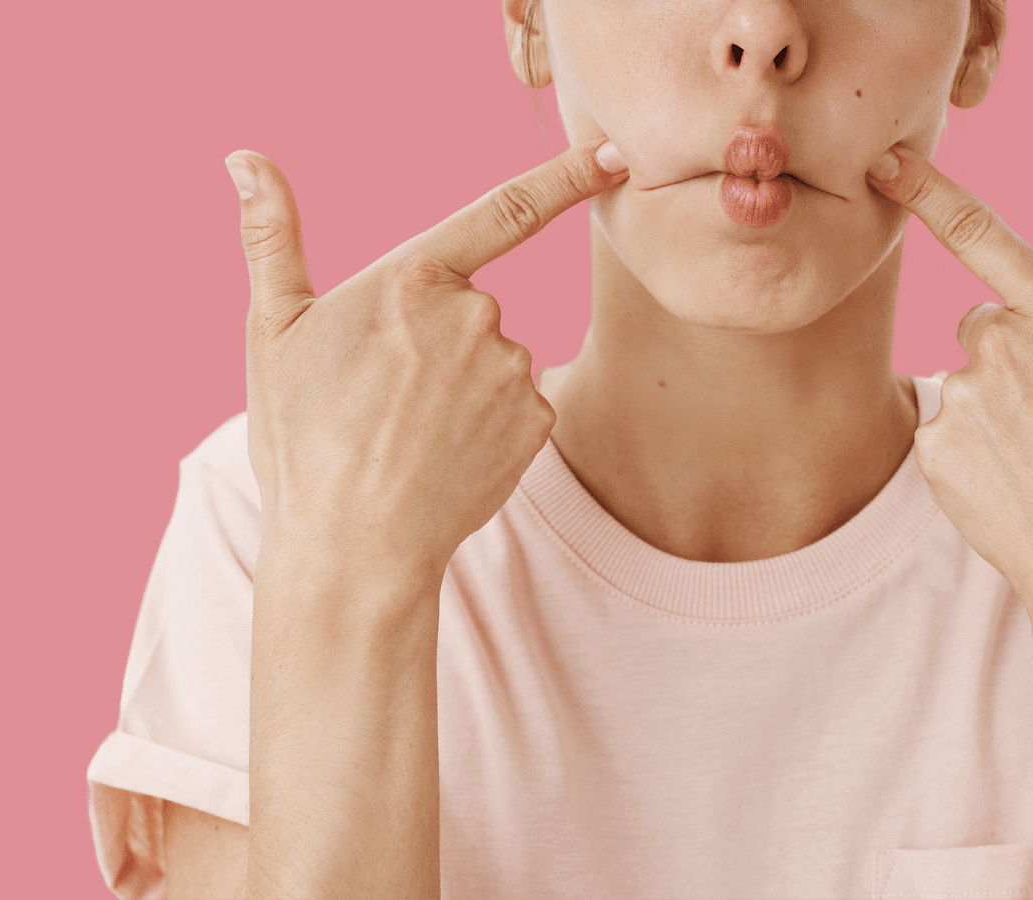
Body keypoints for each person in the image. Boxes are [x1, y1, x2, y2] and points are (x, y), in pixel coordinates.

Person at [87, 0, 1033, 896]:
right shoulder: (282, 508)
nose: (763, 30)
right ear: (529, 18)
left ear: (981, 33)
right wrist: (349, 574)